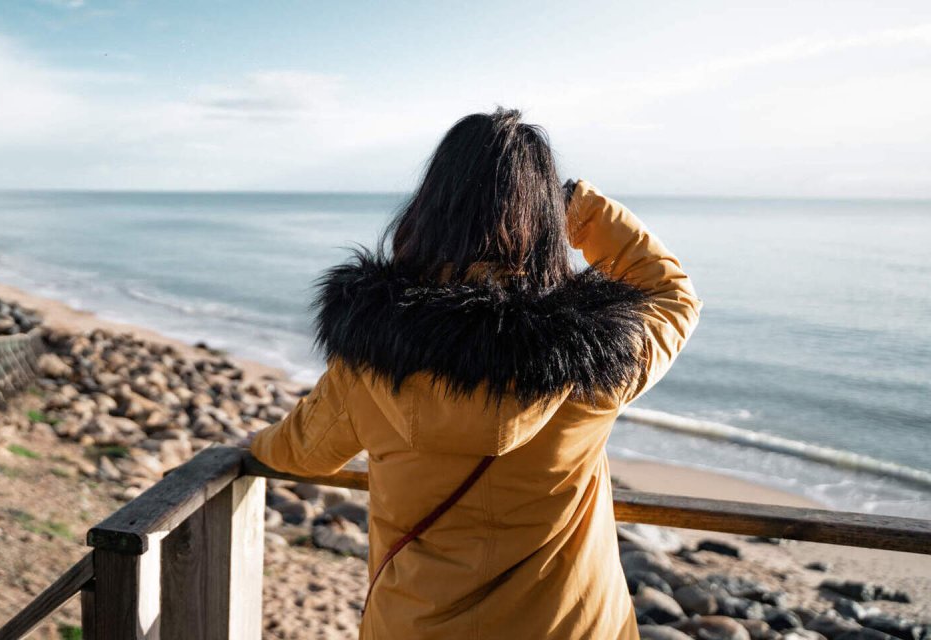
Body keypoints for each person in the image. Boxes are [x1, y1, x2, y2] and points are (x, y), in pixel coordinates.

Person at [246, 108, 702, 639]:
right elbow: (672, 294)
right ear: (546, 217)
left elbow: (302, 451)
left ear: (429, 207)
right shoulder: (595, 357)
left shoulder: (372, 353)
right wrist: (577, 208)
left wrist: (249, 451)